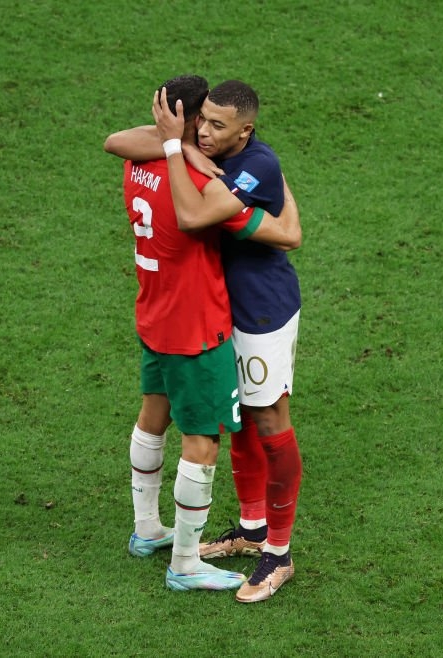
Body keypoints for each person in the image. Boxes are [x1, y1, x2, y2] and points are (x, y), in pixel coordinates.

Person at [108, 75, 301, 592]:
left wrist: (178, 146)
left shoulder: (146, 162)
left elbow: (115, 140)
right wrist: (181, 149)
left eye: (220, 125)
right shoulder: (190, 173)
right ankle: (232, 538)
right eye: (205, 123)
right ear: (191, 122)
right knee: (223, 428)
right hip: (199, 319)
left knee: (264, 419)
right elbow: (284, 232)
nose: (210, 133)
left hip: (250, 311)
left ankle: (277, 551)